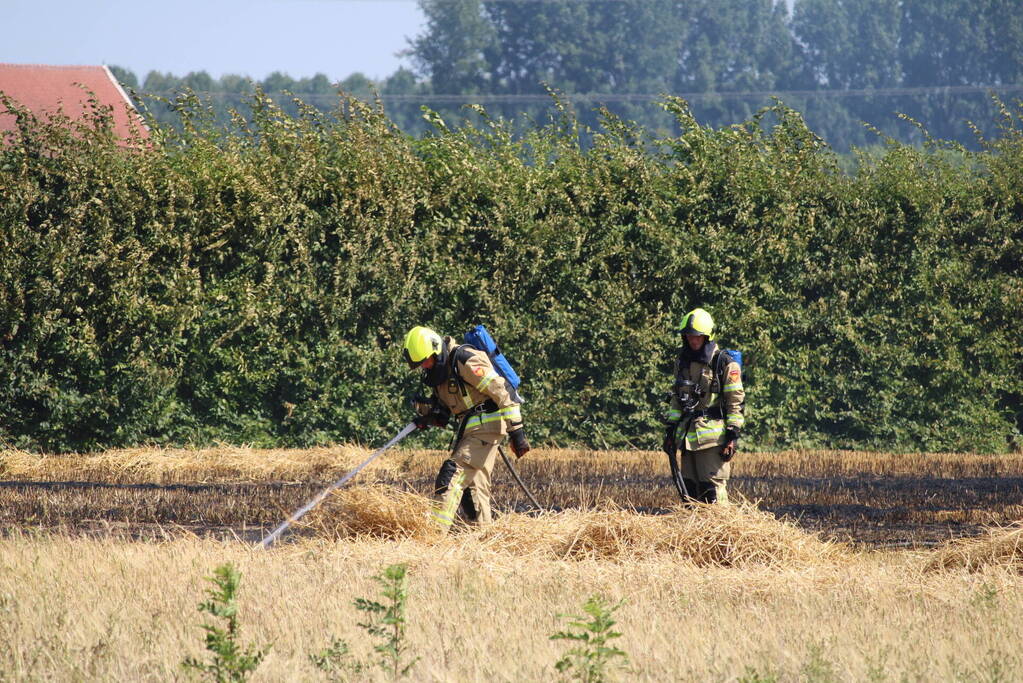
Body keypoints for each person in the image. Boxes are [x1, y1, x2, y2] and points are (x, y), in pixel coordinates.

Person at [402, 325, 529, 527]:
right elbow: (445, 411)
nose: (425, 366)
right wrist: (428, 416)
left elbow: (502, 390)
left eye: (426, 361)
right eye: (421, 364)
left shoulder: (464, 359)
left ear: (437, 350)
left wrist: (517, 432)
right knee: (473, 488)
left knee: (452, 474)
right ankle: (482, 536)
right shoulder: (439, 372)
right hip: (470, 429)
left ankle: (434, 534)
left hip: (487, 424)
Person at [661, 308, 745, 503]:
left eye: (697, 336)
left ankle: (721, 522)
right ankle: (692, 523)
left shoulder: (723, 363)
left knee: (712, 490)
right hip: (687, 435)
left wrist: (732, 435)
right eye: (689, 336)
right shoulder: (682, 362)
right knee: (689, 490)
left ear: (707, 336)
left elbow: (735, 400)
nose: (693, 340)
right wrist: (671, 430)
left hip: (713, 439)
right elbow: (677, 399)